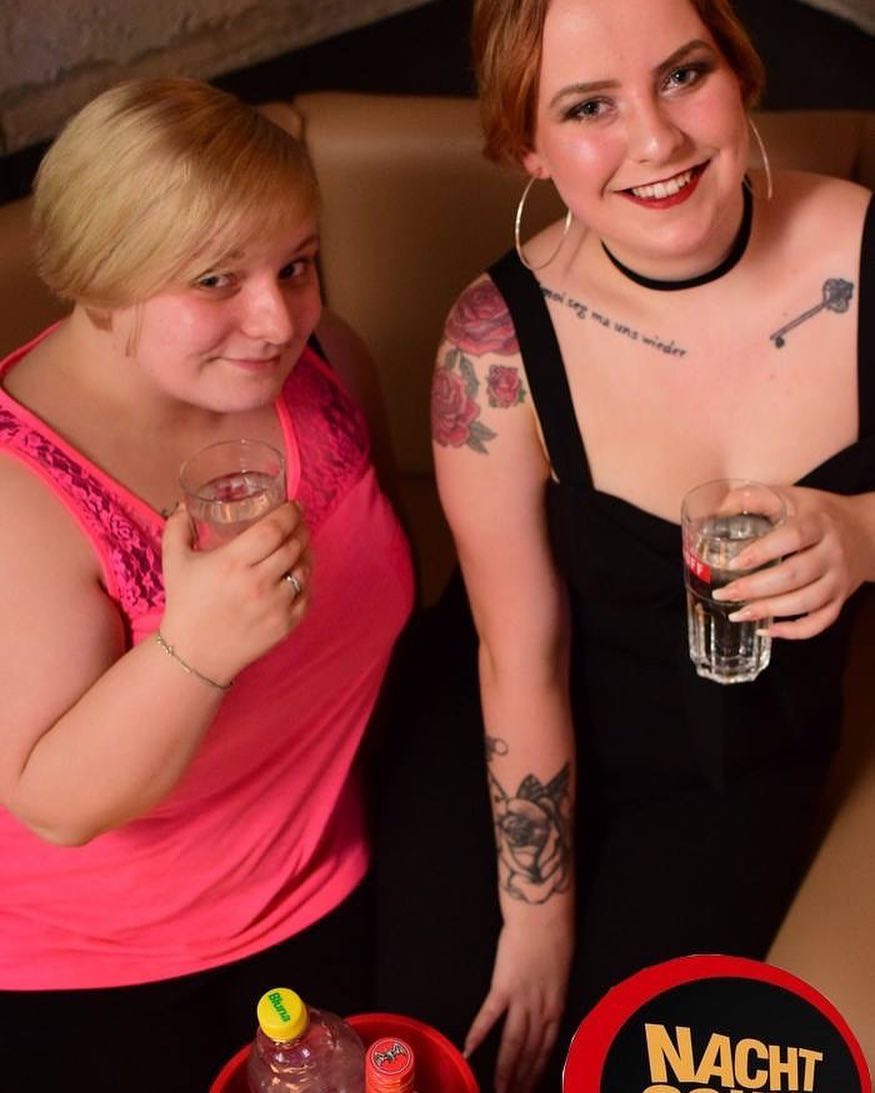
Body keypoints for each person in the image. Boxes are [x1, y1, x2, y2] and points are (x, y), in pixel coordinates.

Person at [373, 1, 874, 1090]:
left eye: (683, 74)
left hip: (736, 762)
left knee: (617, 1066)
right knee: (432, 1051)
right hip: (504, 730)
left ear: (739, 74)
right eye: (587, 107)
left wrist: (864, 528)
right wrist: (535, 917)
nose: (655, 139)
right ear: (527, 147)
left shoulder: (865, 250)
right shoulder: (492, 344)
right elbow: (519, 654)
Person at [0, 77, 413, 1091]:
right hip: (105, 970)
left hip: (330, 890)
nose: (275, 318)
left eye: (295, 264)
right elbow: (53, 804)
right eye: (216, 278)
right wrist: (197, 650)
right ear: (102, 277)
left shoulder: (325, 361)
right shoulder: (15, 492)